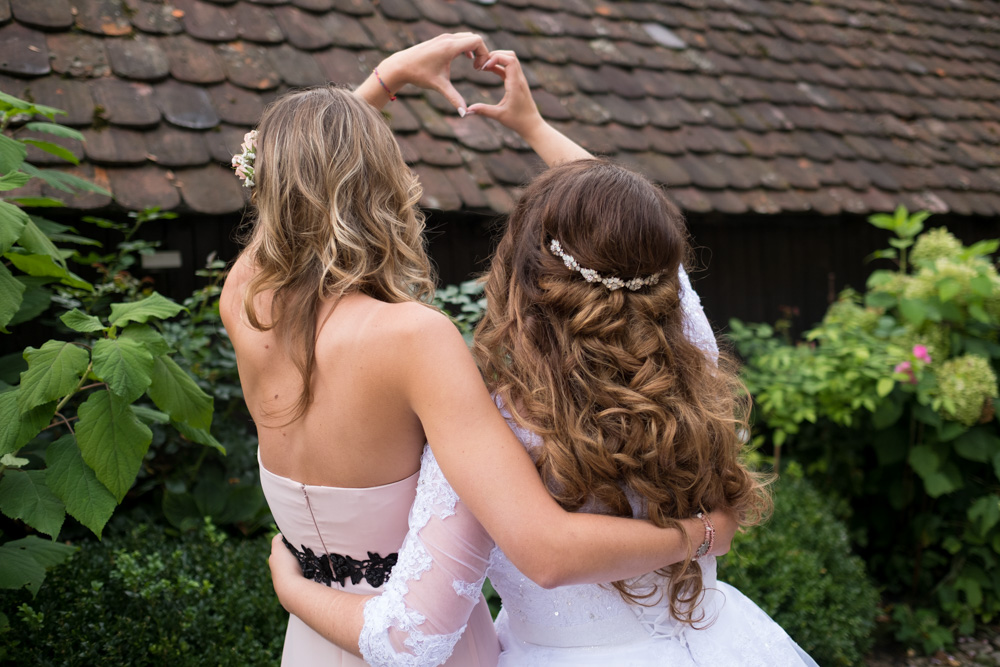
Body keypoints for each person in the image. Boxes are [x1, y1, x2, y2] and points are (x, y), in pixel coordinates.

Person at [267, 49, 819, 666]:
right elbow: (630, 231)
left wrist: (293, 591)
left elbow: (409, 638)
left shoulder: (490, 425)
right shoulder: (688, 347)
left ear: (519, 276)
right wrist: (534, 126)